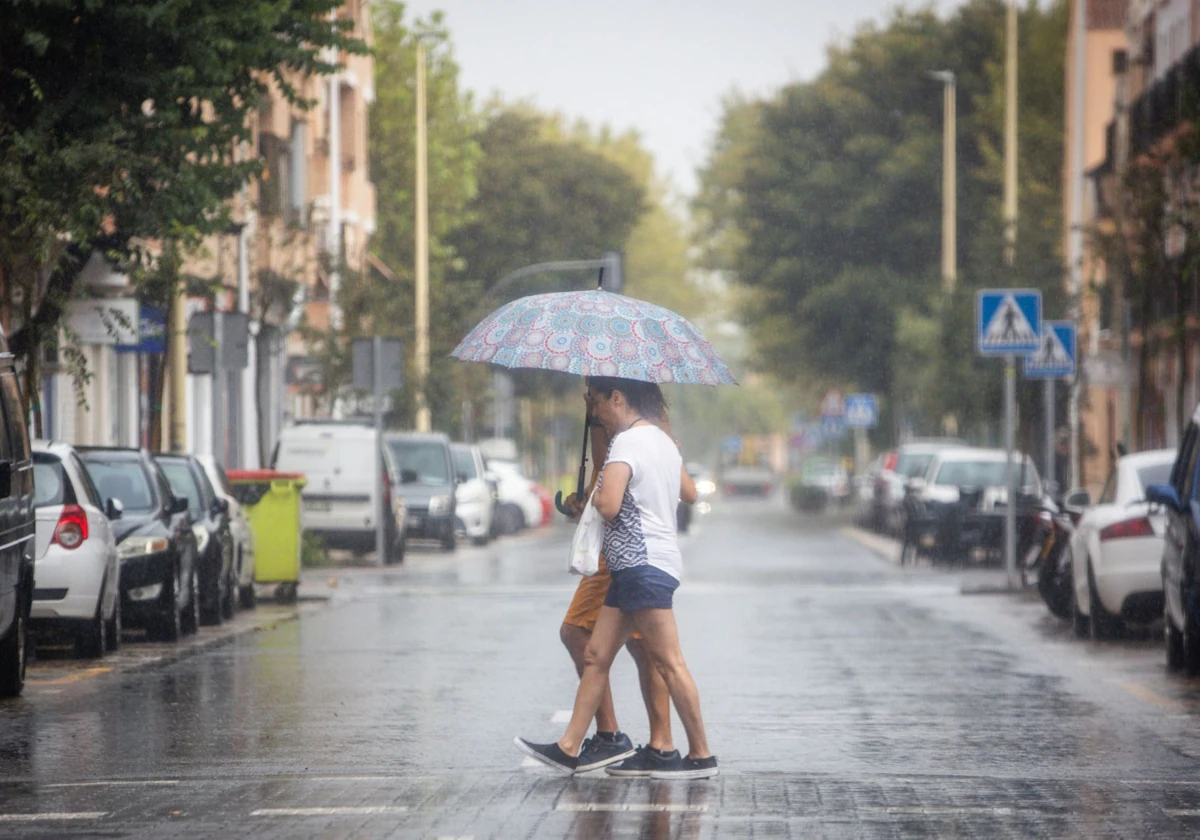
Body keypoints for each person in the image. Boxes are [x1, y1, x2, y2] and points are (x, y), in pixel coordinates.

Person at [516, 376, 717, 779]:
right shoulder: (662, 439)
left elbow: (608, 505)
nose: (594, 410)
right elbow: (680, 492)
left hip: (642, 566)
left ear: (618, 398)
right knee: (595, 655)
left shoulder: (627, 441)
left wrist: (601, 485)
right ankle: (568, 746)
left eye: (597, 402)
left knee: (668, 661)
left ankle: (700, 756)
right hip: (631, 569)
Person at [556, 388, 687, 776]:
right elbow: (606, 479)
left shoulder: (633, 428)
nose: (587, 397)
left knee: (582, 634)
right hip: (627, 551)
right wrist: (589, 503)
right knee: (641, 650)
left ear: (615, 395)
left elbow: (620, 494)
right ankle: (662, 745)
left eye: (593, 394)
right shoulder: (614, 420)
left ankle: (620, 737)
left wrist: (603, 499)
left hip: (630, 552)